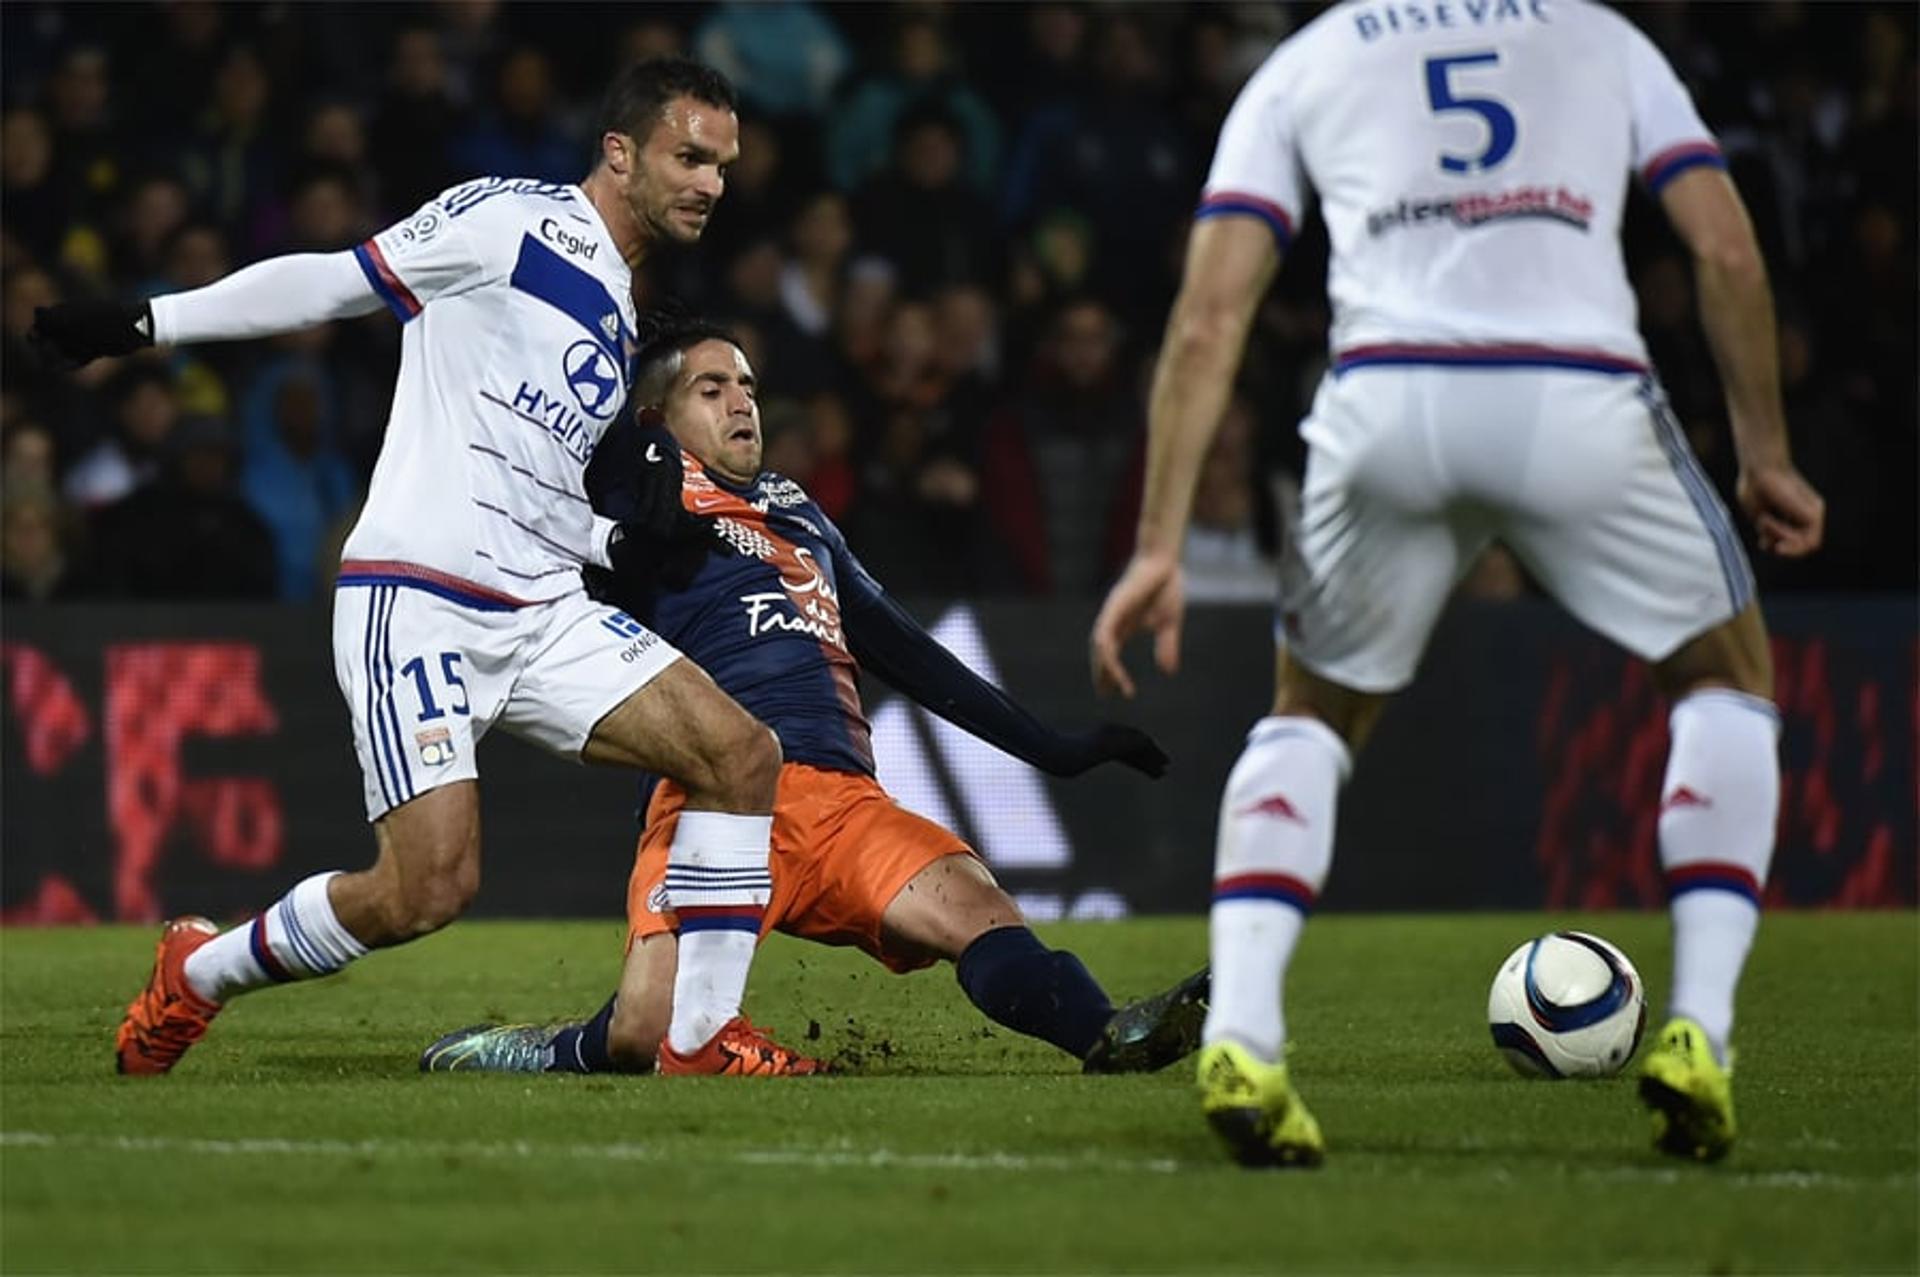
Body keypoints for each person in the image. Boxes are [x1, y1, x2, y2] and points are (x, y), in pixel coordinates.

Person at [1088, 1, 1824, 1168]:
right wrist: (1765, 452)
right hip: (1577, 396)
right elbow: (1726, 249)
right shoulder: (1600, 37)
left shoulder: (1311, 57)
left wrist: (1159, 541)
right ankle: (1704, 1035)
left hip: (1390, 400)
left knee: (1311, 717)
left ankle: (1242, 1037)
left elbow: (1208, 315)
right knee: (1726, 680)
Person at [30, 58, 825, 1078]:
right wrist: (149, 322)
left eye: (722, 163)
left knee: (740, 755)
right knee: (427, 888)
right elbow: (337, 278)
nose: (711, 182)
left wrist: (608, 543)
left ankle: (700, 1037)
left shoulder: (622, 308)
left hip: (542, 603)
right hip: (422, 597)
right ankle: (202, 967)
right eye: (689, 156)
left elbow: (532, 472)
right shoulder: (508, 221)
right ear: (619, 155)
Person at [420, 315, 1202, 1077]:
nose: (741, 403)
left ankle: (1108, 1033)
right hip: (715, 795)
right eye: (713, 388)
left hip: (842, 805)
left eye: (748, 387)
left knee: (979, 911)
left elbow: (910, 653)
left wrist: (1054, 749)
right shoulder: (635, 499)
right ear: (658, 416)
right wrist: (631, 448)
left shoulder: (801, 516)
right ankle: (553, 1046)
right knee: (644, 1035)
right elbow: (548, 439)